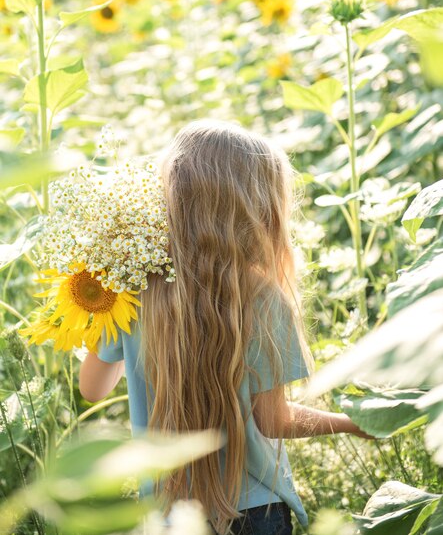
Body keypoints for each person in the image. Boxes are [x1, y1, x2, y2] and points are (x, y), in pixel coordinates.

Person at [79, 120, 374, 535]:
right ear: (258, 210)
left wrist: (98, 298)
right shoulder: (264, 299)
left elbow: (92, 389)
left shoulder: (130, 288)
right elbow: (274, 421)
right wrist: (350, 423)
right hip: (256, 513)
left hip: (169, 515)